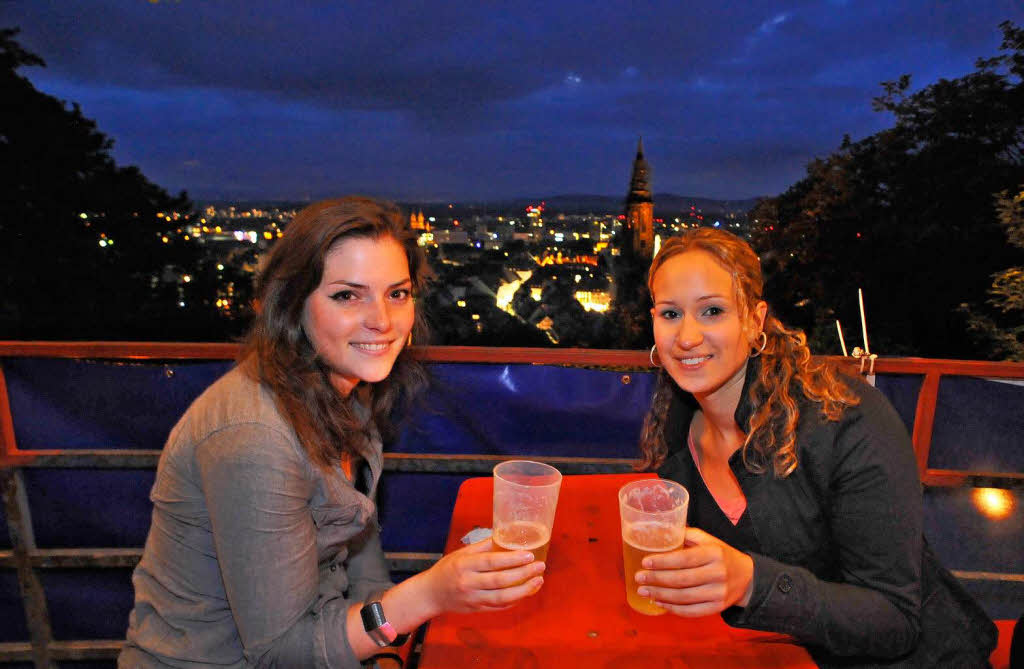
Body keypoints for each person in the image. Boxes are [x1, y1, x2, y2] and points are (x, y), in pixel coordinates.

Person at [120, 197, 545, 668]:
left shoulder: (348, 393)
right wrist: (425, 596)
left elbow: (358, 553)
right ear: (292, 305)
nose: (381, 320)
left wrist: (385, 655)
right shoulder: (254, 439)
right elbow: (282, 652)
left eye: (397, 294)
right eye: (347, 295)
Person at [634, 228, 997, 667]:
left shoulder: (844, 419)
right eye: (670, 314)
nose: (687, 336)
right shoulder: (676, 437)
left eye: (712, 310)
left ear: (754, 320)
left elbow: (895, 619)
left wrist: (752, 583)